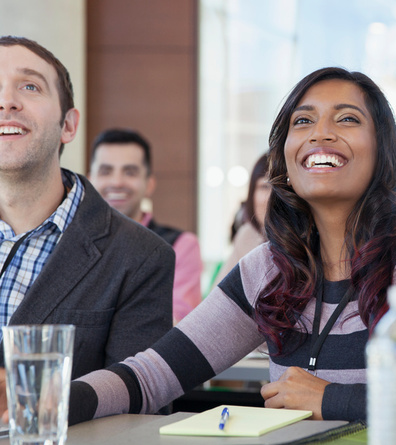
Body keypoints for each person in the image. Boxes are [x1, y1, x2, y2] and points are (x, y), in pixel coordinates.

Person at [67, 67, 396, 434]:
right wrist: (44, 401)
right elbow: (150, 376)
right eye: (303, 121)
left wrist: (330, 399)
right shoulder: (264, 272)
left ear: (383, 151)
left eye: (347, 119)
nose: (321, 132)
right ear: (284, 157)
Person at [0, 36, 174, 399]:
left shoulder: (140, 256)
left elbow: (139, 408)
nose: (6, 102)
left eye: (29, 86)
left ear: (68, 125)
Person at [89, 128, 203, 324]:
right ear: (90, 180)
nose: (117, 182)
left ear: (149, 184)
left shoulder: (180, 245)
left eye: (130, 172)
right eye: (106, 171)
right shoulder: (68, 240)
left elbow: (180, 325)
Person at [214, 152, 271, 284]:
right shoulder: (248, 236)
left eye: (282, 187)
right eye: (265, 186)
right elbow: (218, 300)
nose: (273, 197)